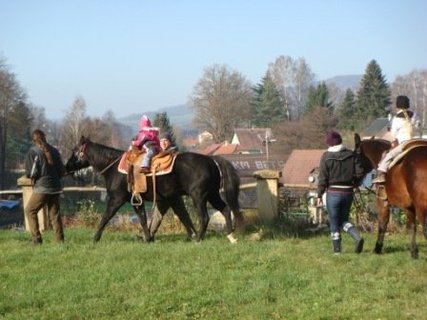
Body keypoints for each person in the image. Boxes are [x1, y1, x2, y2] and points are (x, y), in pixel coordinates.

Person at [316, 130, 365, 255]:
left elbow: (322, 178)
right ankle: (357, 237)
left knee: (334, 221)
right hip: (348, 192)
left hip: (333, 192)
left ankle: (337, 251)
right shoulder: (351, 155)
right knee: (344, 219)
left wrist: (319, 194)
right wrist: (355, 183)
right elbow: (360, 173)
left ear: (329, 143)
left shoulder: (326, 156)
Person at [24, 129, 65, 245]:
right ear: (45, 137)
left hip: (42, 188)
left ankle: (37, 240)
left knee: (30, 210)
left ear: (34, 140)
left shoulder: (33, 152)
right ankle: (60, 241)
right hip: (56, 187)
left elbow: (30, 173)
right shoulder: (55, 151)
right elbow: (62, 171)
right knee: (55, 215)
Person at [372, 95, 416, 184]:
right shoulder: (414, 115)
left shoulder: (397, 118)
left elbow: (393, 135)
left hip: (404, 143)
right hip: (415, 141)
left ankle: (382, 175)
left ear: (397, 105)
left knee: (388, 156)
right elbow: (417, 125)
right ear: (408, 104)